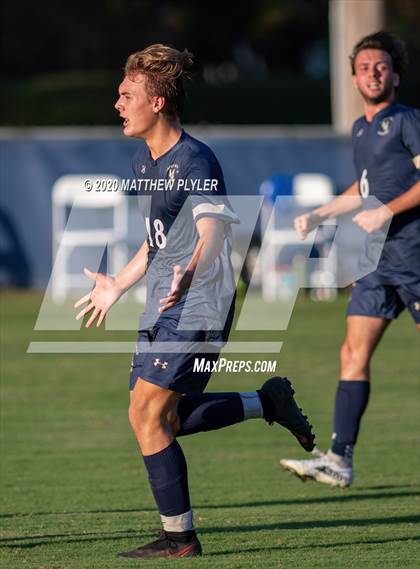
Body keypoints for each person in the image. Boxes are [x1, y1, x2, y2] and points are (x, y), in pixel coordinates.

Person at [74, 44, 315, 559]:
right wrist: (118, 283)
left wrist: (192, 270)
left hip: (200, 301)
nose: (117, 104)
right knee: (166, 419)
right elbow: (158, 237)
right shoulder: (147, 160)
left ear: (157, 101)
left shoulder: (195, 159)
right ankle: (265, 402)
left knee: (147, 414)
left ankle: (180, 539)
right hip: (164, 300)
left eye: (127, 95)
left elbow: (212, 228)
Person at [280, 31, 420, 488]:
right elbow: (362, 191)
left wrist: (387, 208)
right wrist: (320, 212)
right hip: (379, 262)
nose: (372, 73)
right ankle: (339, 458)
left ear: (394, 75)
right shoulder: (360, 129)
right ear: (354, 78)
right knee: (352, 352)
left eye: (380, 66)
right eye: (363, 67)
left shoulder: (407, 120)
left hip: (416, 255)